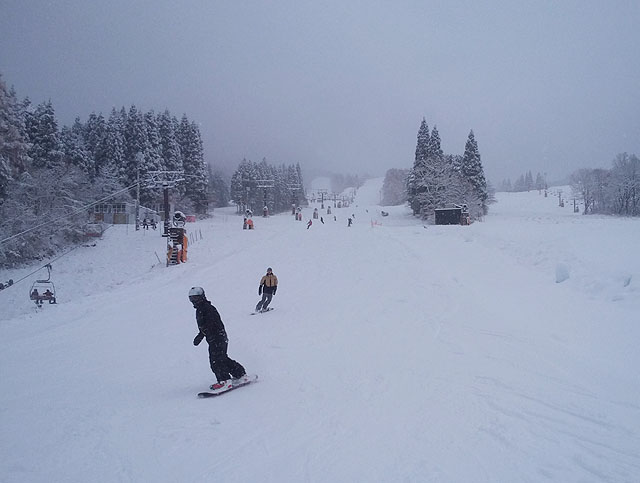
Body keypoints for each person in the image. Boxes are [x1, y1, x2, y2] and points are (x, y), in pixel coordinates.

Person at [189, 287, 247, 391]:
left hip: (217, 337)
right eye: (192, 299)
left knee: (215, 360)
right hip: (216, 337)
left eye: (196, 298)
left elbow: (211, 323)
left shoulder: (207, 308)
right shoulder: (201, 309)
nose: (194, 301)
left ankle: (224, 380)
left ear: (202, 297)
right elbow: (204, 326)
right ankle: (240, 373)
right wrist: (201, 335)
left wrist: (203, 334)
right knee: (222, 358)